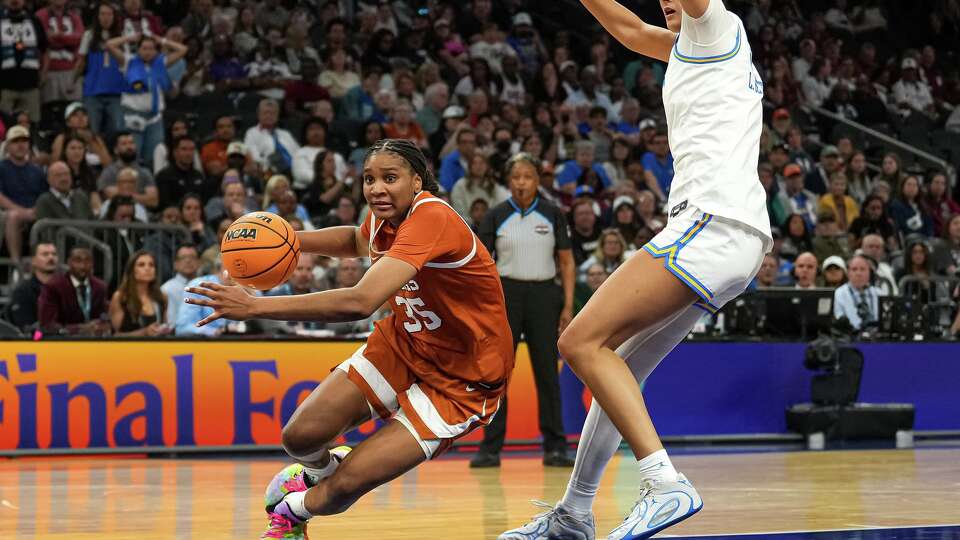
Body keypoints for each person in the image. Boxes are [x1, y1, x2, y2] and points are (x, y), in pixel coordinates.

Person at [500, 1, 773, 538]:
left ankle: (665, 484)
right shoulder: (688, 49)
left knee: (580, 342)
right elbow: (627, 29)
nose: (667, 1)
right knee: (618, 364)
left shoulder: (717, 24)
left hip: (711, 224)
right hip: (728, 237)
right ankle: (574, 514)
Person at [184, 139, 514, 539]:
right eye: (369, 179)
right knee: (300, 438)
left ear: (417, 182)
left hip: (464, 378)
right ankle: (325, 471)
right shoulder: (383, 217)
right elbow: (357, 241)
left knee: (341, 491)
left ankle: (291, 514)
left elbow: (360, 301)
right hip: (406, 343)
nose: (376, 188)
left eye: (389, 178)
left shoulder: (431, 217)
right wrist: (290, 239)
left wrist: (256, 307)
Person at [473, 153, 576, 468]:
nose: (521, 182)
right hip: (506, 295)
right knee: (499, 373)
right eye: (516, 176)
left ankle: (556, 447)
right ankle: (490, 448)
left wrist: (568, 305)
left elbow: (567, 261)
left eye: (527, 176)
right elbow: (480, 263)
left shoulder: (552, 213)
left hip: (545, 295)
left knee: (547, 372)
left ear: (537, 179)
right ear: (508, 180)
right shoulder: (495, 215)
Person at [105, 32, 188, 168]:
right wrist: (129, 38)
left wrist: (162, 40)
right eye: (144, 48)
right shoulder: (128, 61)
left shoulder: (161, 63)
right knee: (132, 155)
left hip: (155, 118)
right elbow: (109, 45)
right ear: (138, 50)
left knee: (154, 156)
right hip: (133, 115)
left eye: (151, 48)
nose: (148, 52)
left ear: (156, 50)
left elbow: (183, 50)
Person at [0, 126, 47, 272]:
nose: (21, 145)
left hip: (34, 211)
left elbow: (45, 196)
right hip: (7, 213)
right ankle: (16, 264)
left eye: (24, 141)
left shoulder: (37, 171)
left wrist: (35, 210)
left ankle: (39, 263)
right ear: (7, 146)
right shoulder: (1, 167)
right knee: (13, 217)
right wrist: (22, 211)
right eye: (16, 141)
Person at [76, 1, 125, 136]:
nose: (106, 17)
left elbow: (126, 62)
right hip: (93, 91)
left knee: (116, 130)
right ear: (97, 16)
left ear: (114, 17)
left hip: (116, 92)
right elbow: (81, 61)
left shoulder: (122, 37)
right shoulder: (89, 35)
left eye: (109, 14)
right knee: (92, 131)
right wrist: (73, 81)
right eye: (102, 14)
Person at [37, 247, 109, 334]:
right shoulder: (53, 287)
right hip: (63, 341)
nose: (83, 266)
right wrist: (79, 329)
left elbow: (103, 316)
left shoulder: (100, 287)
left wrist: (102, 324)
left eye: (87, 261)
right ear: (69, 263)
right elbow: (47, 324)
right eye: (78, 261)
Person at [0, 0, 47, 123]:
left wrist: (44, 74)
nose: (14, 1)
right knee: (4, 126)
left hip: (30, 85)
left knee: (33, 124)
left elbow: (45, 50)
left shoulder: (34, 20)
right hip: (4, 86)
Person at [109, 250, 170, 336]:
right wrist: (144, 332)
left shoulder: (162, 297)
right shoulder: (120, 297)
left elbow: (164, 327)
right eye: (141, 265)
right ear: (132, 270)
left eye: (151, 265)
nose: (147, 268)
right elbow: (115, 336)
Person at [97, 131, 158, 210]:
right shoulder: (109, 172)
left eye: (131, 143)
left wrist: (125, 196)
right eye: (124, 144)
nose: (129, 147)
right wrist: (142, 198)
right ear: (116, 150)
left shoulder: (145, 172)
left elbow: (153, 201)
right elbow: (112, 196)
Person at [6, 242, 57, 331]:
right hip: (37, 342)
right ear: (33, 261)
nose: (51, 257)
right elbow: (26, 331)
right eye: (45, 254)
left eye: (54, 254)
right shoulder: (23, 292)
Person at [449, 153, 509, 219]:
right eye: (475, 163)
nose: (478, 166)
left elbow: (500, 206)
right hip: (466, 225)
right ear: (470, 166)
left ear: (487, 166)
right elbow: (458, 209)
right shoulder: (460, 186)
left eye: (481, 163)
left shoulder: (493, 186)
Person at [833, 255, 879, 331]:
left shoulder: (879, 293)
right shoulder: (839, 294)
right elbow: (839, 319)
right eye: (854, 269)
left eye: (862, 269)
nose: (858, 273)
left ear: (869, 272)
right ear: (848, 273)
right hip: (850, 336)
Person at [161, 243, 200, 325]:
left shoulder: (206, 286)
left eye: (192, 257)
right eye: (183, 258)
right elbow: (169, 323)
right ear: (175, 264)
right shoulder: (166, 289)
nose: (188, 261)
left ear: (199, 262)